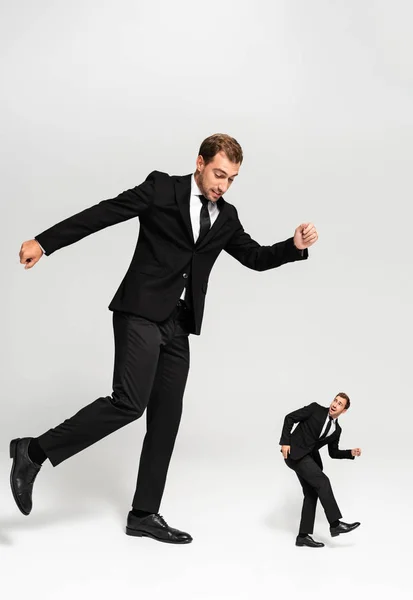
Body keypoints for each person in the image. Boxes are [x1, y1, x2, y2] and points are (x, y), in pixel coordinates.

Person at [11, 133, 318, 544]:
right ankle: (33, 452)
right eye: (218, 174)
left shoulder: (226, 217)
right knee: (128, 403)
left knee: (167, 417)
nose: (222, 186)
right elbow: (104, 213)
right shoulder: (161, 188)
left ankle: (143, 514)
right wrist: (45, 242)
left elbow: (256, 258)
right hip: (139, 311)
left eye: (231, 180)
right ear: (200, 162)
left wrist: (293, 247)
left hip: (177, 324)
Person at [279, 392, 362, 548]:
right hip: (294, 453)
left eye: (340, 404)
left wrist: (350, 453)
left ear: (343, 411)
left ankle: (303, 536)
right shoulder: (315, 409)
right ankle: (335, 524)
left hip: (307, 458)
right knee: (323, 482)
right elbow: (289, 417)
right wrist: (285, 442)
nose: (335, 404)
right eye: (335, 400)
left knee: (311, 493)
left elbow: (333, 453)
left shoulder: (336, 430)